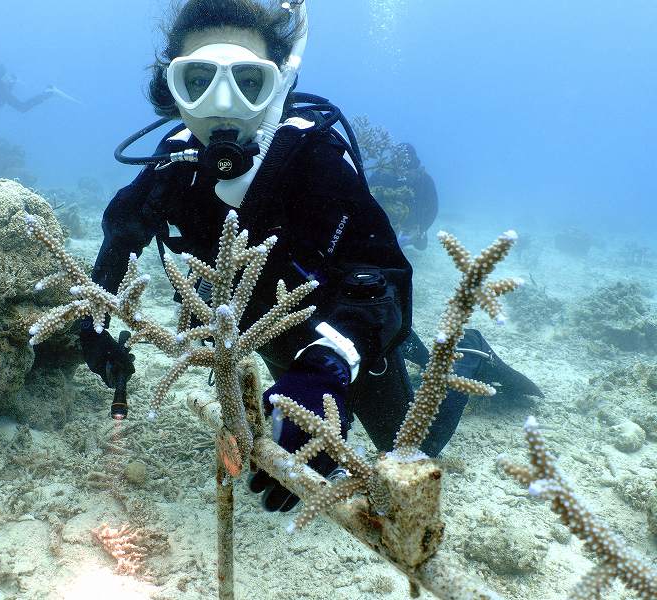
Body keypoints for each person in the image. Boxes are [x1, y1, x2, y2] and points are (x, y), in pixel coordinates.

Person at [81, 0, 541, 514]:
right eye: (198, 80)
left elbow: (384, 273)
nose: (221, 103)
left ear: (278, 83)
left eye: (249, 81)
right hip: (265, 329)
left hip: (341, 330)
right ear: (170, 87)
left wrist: (330, 368)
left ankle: (468, 353)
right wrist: (93, 328)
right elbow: (121, 236)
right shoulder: (172, 164)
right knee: (297, 395)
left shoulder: (313, 158)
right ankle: (397, 347)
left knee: (407, 446)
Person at [369, 142, 438, 251]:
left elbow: (433, 208)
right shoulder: (381, 175)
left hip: (412, 223)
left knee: (421, 245)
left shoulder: (425, 180)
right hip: (385, 220)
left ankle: (412, 236)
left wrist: (422, 228)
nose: (405, 174)